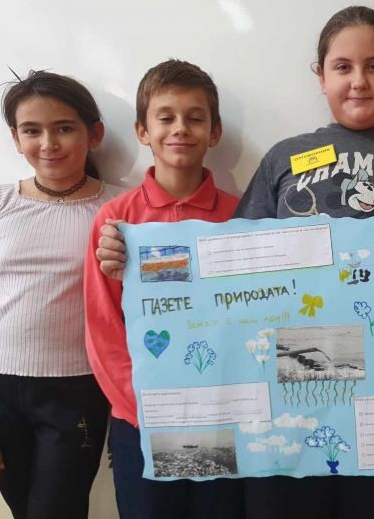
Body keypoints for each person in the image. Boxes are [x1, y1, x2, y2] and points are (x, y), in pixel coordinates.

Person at [95, 8, 374, 519]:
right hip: (290, 389)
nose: (358, 81)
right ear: (320, 76)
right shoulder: (284, 158)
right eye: (342, 67)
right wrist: (140, 265)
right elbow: (228, 270)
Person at [0, 70, 121, 519]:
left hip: (78, 391)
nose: (48, 143)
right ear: (16, 138)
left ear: (94, 134)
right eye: (32, 130)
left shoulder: (120, 209)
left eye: (64, 128)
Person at [82, 59, 243, 518]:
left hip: (220, 417)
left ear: (214, 132)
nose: (180, 129)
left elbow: (253, 313)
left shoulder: (241, 216)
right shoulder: (116, 221)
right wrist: (145, 404)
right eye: (166, 117)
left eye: (195, 118)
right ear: (143, 130)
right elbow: (103, 326)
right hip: (143, 420)